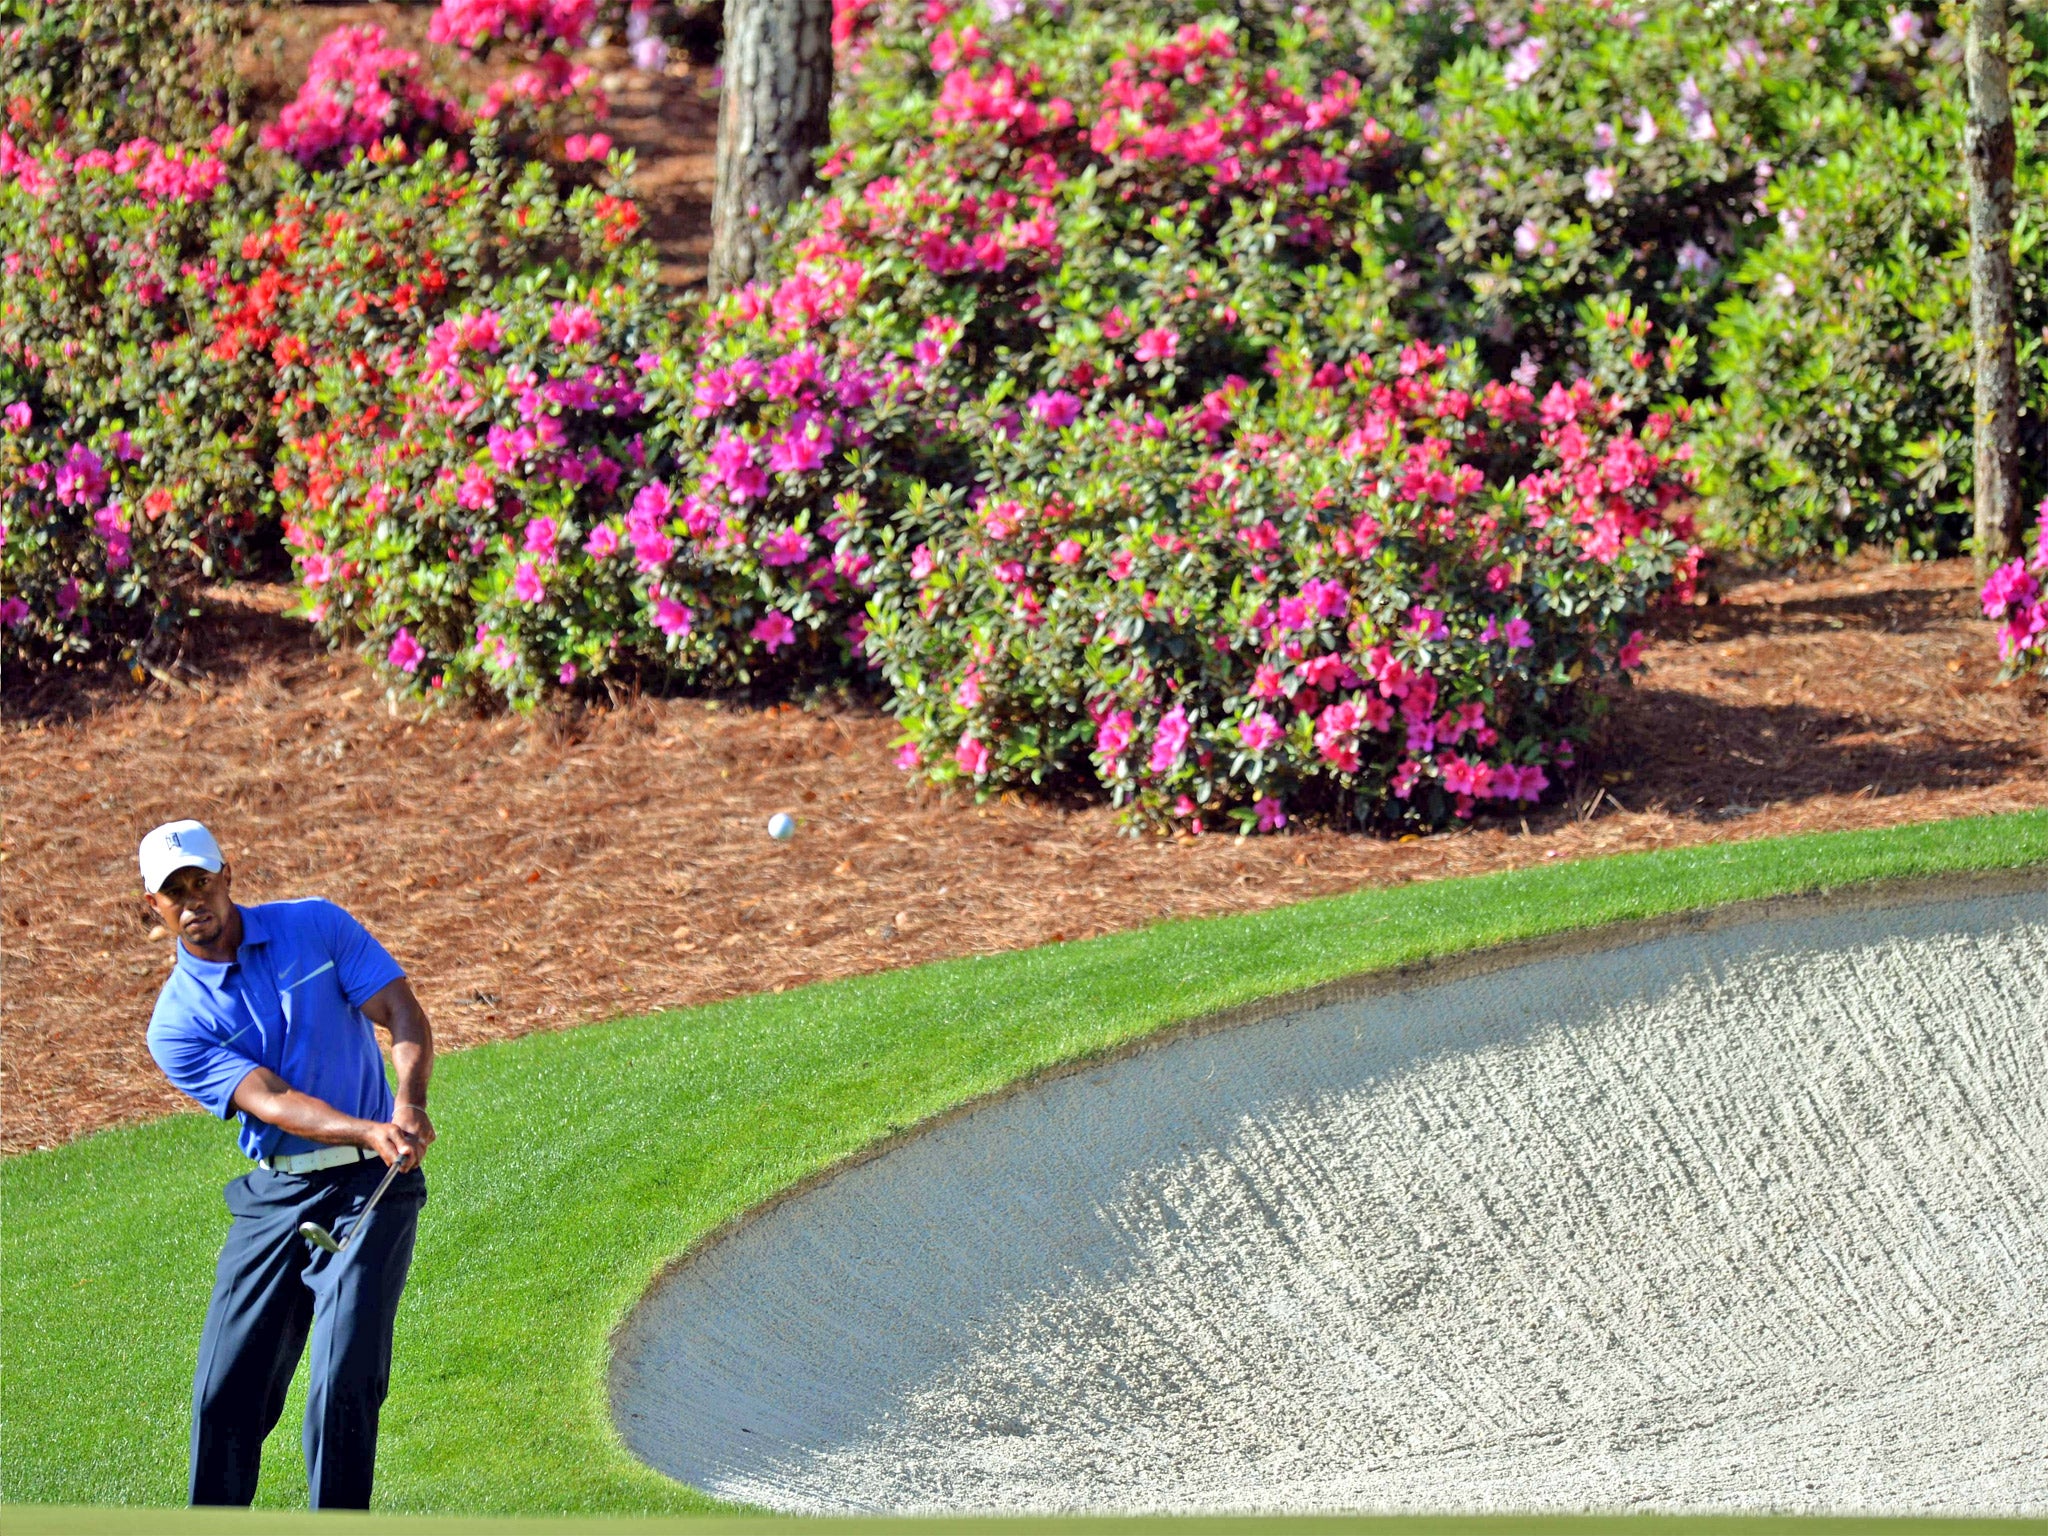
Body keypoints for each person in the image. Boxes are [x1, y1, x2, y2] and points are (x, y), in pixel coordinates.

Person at [140, 819, 435, 1510]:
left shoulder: (315, 927)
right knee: (223, 1395)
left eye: (202, 882)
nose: (193, 903)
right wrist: (368, 1128)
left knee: (343, 1382)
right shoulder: (175, 1024)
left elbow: (398, 1007)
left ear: (227, 875)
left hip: (373, 1185)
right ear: (150, 906)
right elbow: (269, 1101)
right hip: (276, 1196)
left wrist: (408, 1102)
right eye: (174, 892)